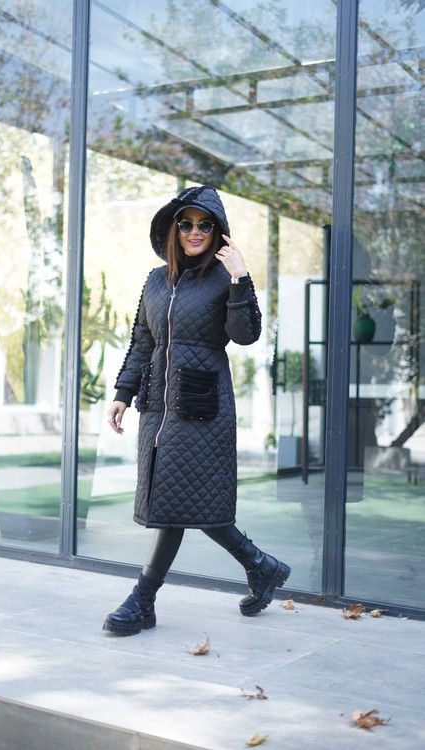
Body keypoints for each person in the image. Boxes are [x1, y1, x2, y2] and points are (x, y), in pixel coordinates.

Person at [104, 185, 290, 636]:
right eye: (186, 223)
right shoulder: (155, 280)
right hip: (157, 407)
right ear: (174, 229)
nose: (194, 231)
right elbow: (142, 342)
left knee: (176, 500)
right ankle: (260, 565)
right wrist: (123, 394)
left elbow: (245, 335)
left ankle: (142, 600)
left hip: (203, 407)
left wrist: (240, 277)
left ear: (217, 231)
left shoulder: (223, 278)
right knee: (182, 499)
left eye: (205, 224)